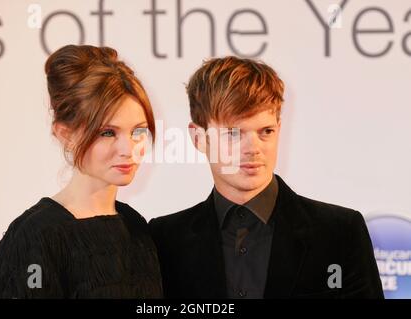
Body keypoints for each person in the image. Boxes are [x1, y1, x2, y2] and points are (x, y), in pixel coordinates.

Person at [149, 56, 383, 299]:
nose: (253, 148)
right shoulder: (165, 240)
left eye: (266, 131)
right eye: (233, 133)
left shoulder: (339, 233)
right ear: (198, 138)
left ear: (279, 130)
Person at [0, 45, 163, 298]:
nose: (128, 149)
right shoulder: (37, 236)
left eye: (138, 131)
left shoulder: (135, 226)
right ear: (65, 134)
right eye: (107, 132)